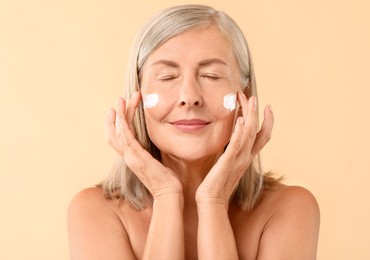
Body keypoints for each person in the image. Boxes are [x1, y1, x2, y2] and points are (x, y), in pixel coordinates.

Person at [67, 4, 320, 260]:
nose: (189, 97)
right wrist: (166, 195)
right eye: (167, 77)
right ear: (137, 97)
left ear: (244, 97)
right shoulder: (94, 212)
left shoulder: (289, 208)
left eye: (211, 76)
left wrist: (214, 201)